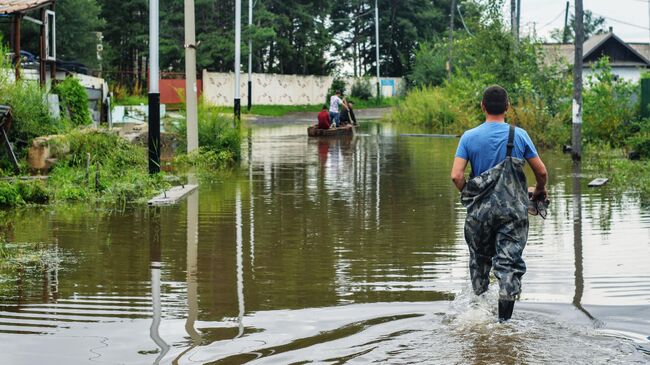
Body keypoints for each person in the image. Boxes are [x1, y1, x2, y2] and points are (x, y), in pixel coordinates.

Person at [450, 85, 548, 322]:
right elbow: (541, 172)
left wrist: (472, 194)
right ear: (507, 106)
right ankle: (504, 325)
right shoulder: (520, 135)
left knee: (480, 262)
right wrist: (539, 192)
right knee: (509, 265)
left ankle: (478, 316)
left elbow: (456, 176)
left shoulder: (469, 137)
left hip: (479, 215)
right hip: (512, 214)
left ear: (482, 106)